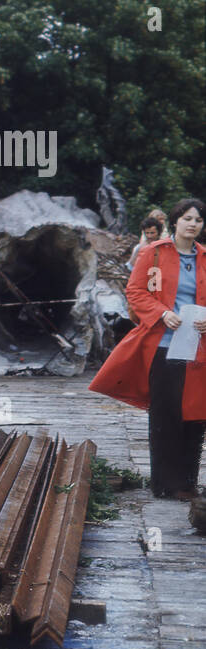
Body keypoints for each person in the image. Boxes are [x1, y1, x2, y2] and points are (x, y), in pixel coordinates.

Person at [90, 198, 206, 530]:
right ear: (175, 222)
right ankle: (165, 484)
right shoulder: (154, 252)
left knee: (194, 416)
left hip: (198, 349)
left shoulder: (204, 257)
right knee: (165, 413)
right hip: (164, 344)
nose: (193, 224)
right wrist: (161, 313)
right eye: (187, 218)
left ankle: (187, 483)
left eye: (198, 220)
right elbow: (136, 291)